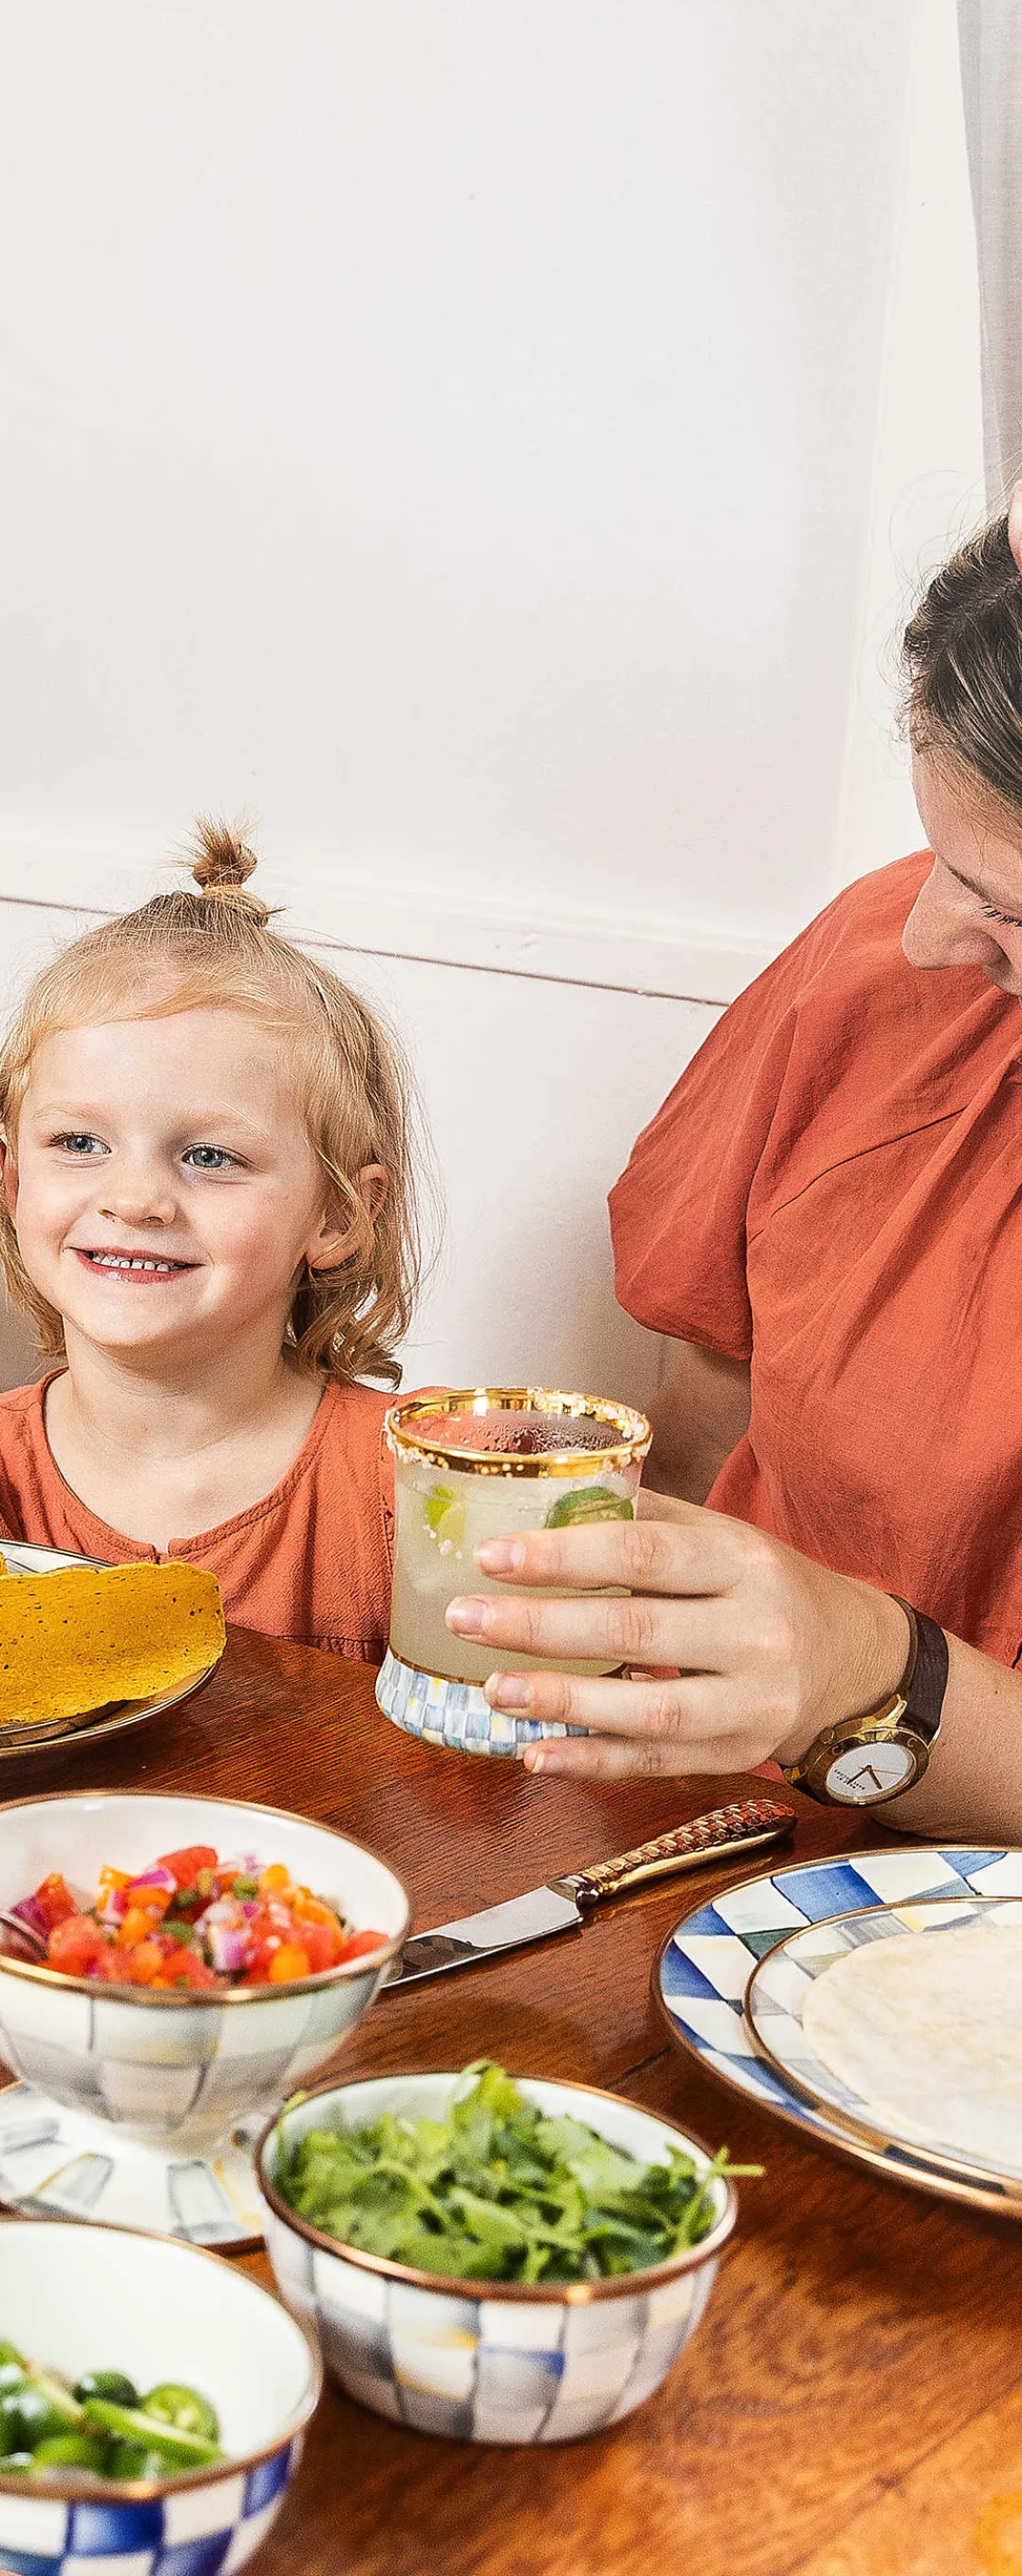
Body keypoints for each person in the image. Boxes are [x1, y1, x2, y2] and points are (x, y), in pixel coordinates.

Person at [463, 501, 1022, 1833]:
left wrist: (875, 1674)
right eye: (940, 862)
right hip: (746, 1815)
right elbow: (717, 1358)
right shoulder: (878, 964)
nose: (935, 937)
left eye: (1008, 901)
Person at [0, 829, 425, 1663]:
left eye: (211, 1157)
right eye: (79, 1143)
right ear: (11, 1175)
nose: (134, 1199)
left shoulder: (422, 1497)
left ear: (336, 1215)